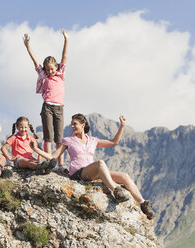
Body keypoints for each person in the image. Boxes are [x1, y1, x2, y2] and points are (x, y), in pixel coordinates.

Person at [30, 113, 154, 220]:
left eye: (75, 124)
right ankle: (116, 190)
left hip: (92, 172)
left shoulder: (93, 140)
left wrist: (122, 126)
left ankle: (143, 204)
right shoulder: (68, 140)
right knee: (100, 163)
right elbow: (52, 155)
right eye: (72, 124)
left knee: (124, 176)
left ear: (83, 125)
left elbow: (113, 142)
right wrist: (35, 149)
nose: (72, 127)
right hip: (78, 173)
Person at [22, 29, 69, 171]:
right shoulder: (43, 75)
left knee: (59, 138)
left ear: (56, 67)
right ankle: (49, 161)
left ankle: (60, 165)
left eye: (52, 69)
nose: (50, 72)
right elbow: (35, 60)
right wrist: (28, 46)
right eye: (47, 70)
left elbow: (65, 55)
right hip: (47, 107)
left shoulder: (60, 74)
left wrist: (66, 39)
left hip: (59, 107)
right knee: (48, 136)